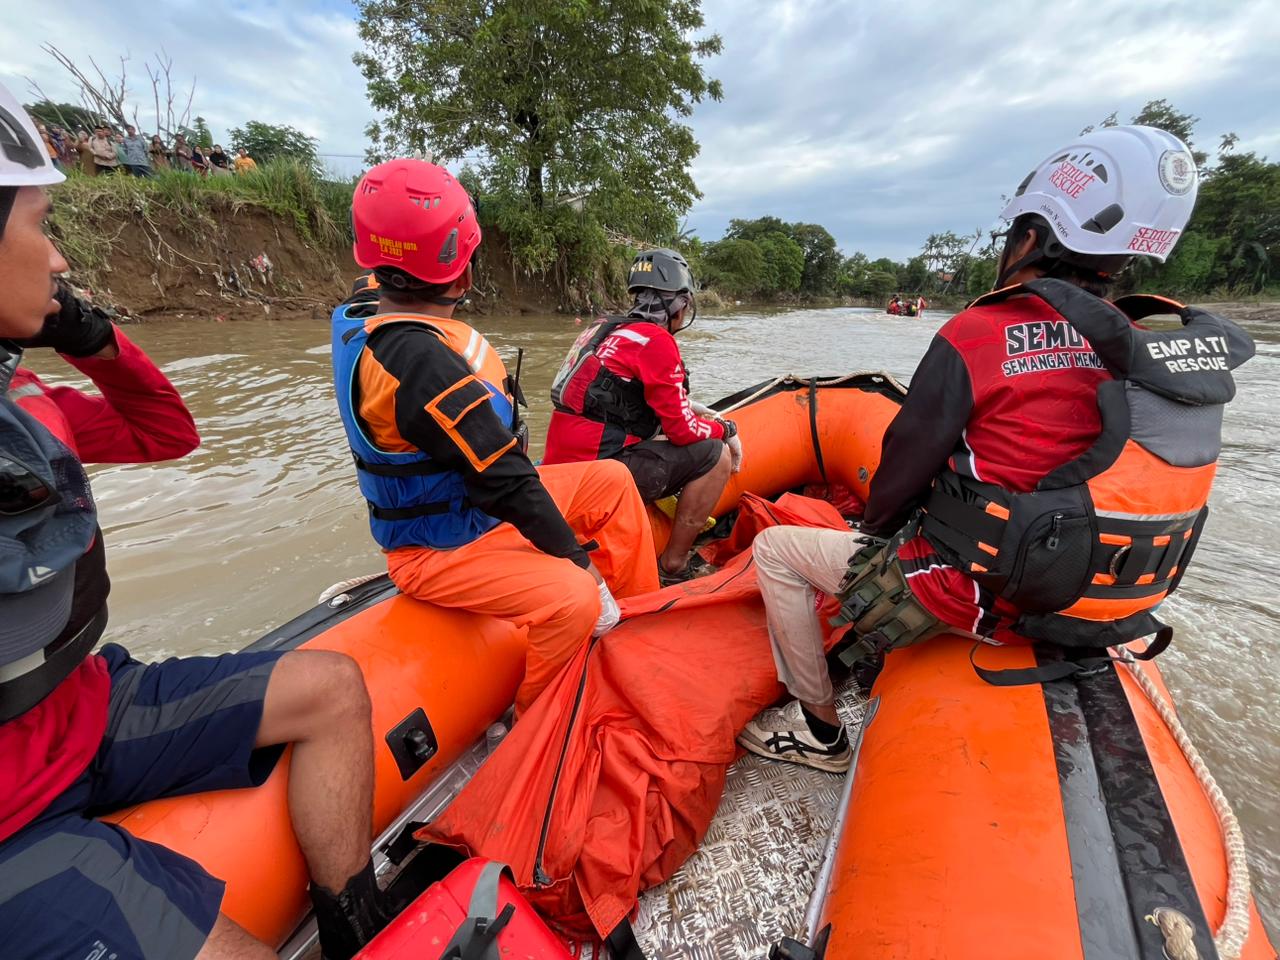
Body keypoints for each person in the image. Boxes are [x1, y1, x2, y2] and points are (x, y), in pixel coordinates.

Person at [0, 85, 389, 960]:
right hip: (8, 821)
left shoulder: (27, 406)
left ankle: (354, 933)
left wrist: (96, 341)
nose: (58, 256)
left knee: (334, 688)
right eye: (39, 223)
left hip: (84, 712)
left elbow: (167, 433)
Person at [737, 125, 1254, 773]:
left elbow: (900, 472)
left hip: (982, 596)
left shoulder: (978, 332)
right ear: (1120, 262)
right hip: (1092, 601)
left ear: (1031, 238)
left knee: (776, 550)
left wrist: (877, 533)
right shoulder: (1141, 343)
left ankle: (819, 730)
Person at [331, 158, 658, 714]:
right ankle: (533, 719)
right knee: (573, 599)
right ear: (464, 269)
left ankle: (640, 634)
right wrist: (581, 567)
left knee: (611, 481)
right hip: (436, 548)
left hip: (474, 513)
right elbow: (503, 478)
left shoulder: (370, 303)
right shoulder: (422, 363)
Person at [542, 249, 741, 584]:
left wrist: (689, 408)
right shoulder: (656, 342)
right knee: (715, 455)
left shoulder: (602, 329)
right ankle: (674, 565)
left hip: (560, 474)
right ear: (678, 305)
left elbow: (611, 399)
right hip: (598, 479)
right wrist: (724, 428)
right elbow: (682, 430)